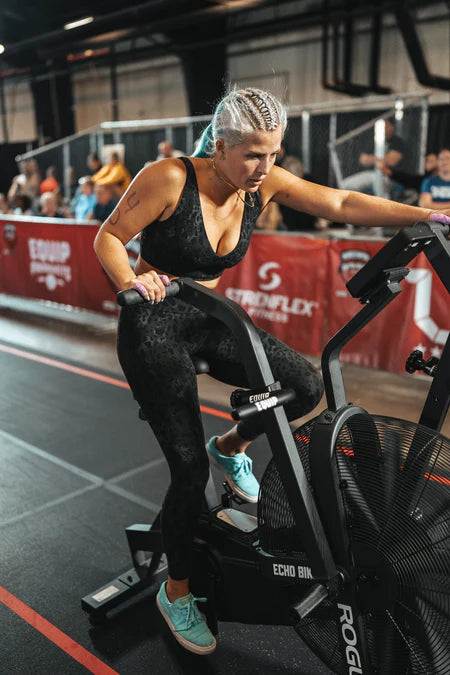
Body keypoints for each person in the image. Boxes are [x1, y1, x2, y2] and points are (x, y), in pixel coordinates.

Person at [93, 87, 450, 657]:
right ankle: (177, 592)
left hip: (212, 320)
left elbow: (339, 204)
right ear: (221, 145)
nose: (266, 167)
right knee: (186, 473)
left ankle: (230, 447)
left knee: (304, 385)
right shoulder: (168, 178)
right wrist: (133, 285)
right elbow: (108, 237)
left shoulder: (262, 182)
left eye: (274, 154)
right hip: (154, 323)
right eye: (254, 154)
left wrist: (430, 214)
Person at [341, 119, 405, 195]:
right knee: (345, 184)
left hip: (390, 176)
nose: (384, 128)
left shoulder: (397, 142)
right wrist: (380, 159)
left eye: (385, 125)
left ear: (391, 126)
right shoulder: (374, 141)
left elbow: (391, 161)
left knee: (379, 183)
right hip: (371, 174)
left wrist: (372, 158)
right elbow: (363, 160)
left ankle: (382, 206)